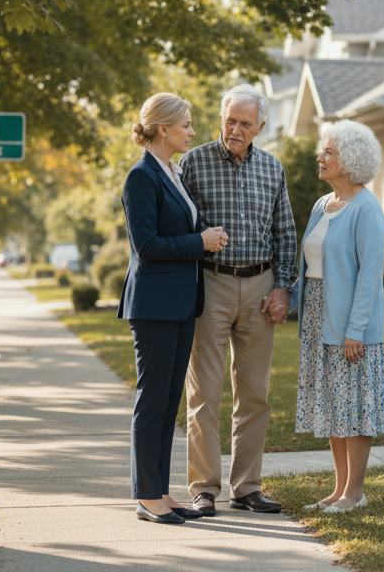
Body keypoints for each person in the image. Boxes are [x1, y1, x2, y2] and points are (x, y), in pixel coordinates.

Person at [179, 84, 298, 515]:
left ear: (261, 127)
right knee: (204, 392)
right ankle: (204, 488)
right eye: (230, 120)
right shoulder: (192, 163)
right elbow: (178, 228)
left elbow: (285, 232)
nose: (235, 129)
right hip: (212, 284)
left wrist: (285, 288)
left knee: (254, 394)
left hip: (261, 287)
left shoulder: (272, 168)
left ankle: (247, 487)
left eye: (245, 123)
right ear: (221, 118)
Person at [119, 93, 230, 525]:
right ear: (162, 129)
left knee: (168, 403)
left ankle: (161, 491)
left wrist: (205, 235)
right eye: (185, 124)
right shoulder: (141, 176)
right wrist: (197, 243)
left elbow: (175, 229)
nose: (192, 132)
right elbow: (145, 246)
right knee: (152, 401)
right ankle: (146, 496)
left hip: (182, 302)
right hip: (154, 305)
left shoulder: (172, 171)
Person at [293, 119, 384, 514]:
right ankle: (339, 490)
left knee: (356, 407)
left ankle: (356, 492)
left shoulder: (367, 209)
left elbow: (369, 276)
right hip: (319, 316)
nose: (320, 157)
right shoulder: (323, 205)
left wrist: (356, 332)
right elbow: (312, 265)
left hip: (352, 323)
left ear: (348, 161)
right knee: (334, 405)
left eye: (328, 152)